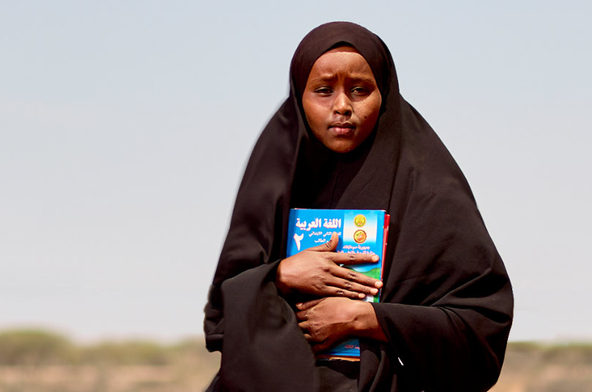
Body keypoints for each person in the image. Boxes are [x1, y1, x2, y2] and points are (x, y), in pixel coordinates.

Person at [204, 21, 513, 392]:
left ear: (384, 95)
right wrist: (281, 276)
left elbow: (480, 327)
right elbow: (222, 317)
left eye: (360, 90)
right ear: (299, 98)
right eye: (322, 90)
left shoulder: (429, 187)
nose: (342, 106)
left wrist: (364, 318)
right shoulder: (275, 177)